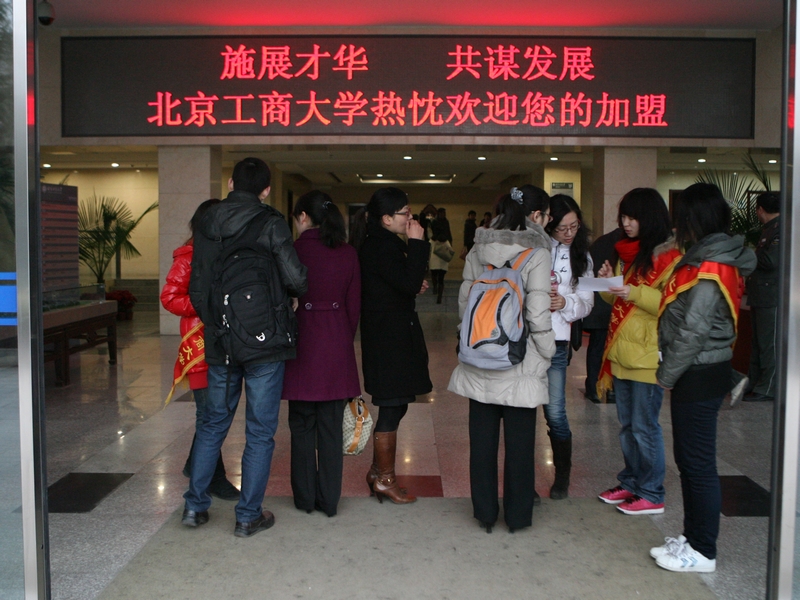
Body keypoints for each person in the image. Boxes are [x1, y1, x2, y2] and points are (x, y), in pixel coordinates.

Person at [184, 157, 308, 537]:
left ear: (231, 183)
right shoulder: (270, 222)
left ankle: (194, 507)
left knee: (213, 424)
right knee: (259, 431)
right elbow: (297, 279)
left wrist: (218, 323)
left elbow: (197, 287)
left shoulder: (207, 222)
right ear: (266, 190)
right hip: (264, 344)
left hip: (221, 341)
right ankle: (247, 516)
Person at [652, 183, 756, 573]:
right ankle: (691, 536)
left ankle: (703, 550)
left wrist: (666, 375)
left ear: (694, 219)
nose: (676, 226)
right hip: (697, 369)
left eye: (680, 219)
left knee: (697, 463)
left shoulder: (713, 264)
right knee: (689, 460)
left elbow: (694, 331)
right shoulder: (706, 256)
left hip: (699, 370)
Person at [448, 189, 555, 533]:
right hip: (519, 360)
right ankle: (518, 516)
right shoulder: (537, 253)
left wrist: (474, 340)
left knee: (481, 444)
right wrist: (548, 350)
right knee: (520, 446)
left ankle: (485, 513)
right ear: (535, 216)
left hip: (480, 354)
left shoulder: (478, 249)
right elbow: (537, 313)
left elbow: (465, 303)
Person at [596, 188, 682, 516]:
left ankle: (652, 492)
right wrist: (609, 283)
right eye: (623, 217)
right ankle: (631, 482)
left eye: (633, 218)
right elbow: (617, 301)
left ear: (650, 218)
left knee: (645, 428)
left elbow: (669, 304)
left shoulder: (669, 257)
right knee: (627, 426)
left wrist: (631, 291)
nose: (626, 224)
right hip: (621, 351)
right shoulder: (629, 252)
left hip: (647, 356)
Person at [350, 187, 432, 504]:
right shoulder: (381, 246)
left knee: (396, 404)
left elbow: (400, 282)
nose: (410, 218)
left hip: (391, 334)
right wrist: (417, 243)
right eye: (405, 213)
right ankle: (384, 479)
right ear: (386, 218)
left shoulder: (382, 244)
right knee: (391, 404)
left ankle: (377, 472)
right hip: (388, 339)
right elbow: (406, 282)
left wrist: (412, 281)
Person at [281, 191, 361, 517]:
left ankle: (304, 499)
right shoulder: (348, 253)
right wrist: (340, 337)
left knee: (301, 426)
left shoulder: (291, 250)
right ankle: (329, 500)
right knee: (331, 428)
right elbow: (354, 307)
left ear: (302, 217)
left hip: (300, 346)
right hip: (335, 345)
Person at [160, 198, 240, 502]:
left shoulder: (226, 253)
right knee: (210, 415)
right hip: (200, 346)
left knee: (214, 415)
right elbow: (169, 297)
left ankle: (196, 466)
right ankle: (212, 479)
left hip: (225, 344)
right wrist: (205, 305)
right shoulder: (188, 256)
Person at [543, 194, 594, 499]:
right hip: (527, 341)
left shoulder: (582, 256)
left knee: (556, 413)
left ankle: (562, 476)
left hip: (557, 342)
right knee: (522, 412)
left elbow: (587, 303)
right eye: (563, 228)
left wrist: (564, 303)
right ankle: (521, 479)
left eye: (574, 226)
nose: (569, 233)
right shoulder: (536, 248)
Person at [743, 191, 780, 402]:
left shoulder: (780, 229)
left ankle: (768, 387)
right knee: (757, 343)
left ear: (760, 210)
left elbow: (771, 261)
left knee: (768, 344)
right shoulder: (769, 229)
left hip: (770, 295)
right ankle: (754, 382)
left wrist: (749, 255)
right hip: (760, 294)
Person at [583, 228, 623, 403]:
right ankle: (611, 389)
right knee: (612, 348)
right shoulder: (625, 244)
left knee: (596, 348)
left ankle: (593, 388)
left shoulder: (600, 242)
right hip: (613, 304)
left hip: (597, 304)